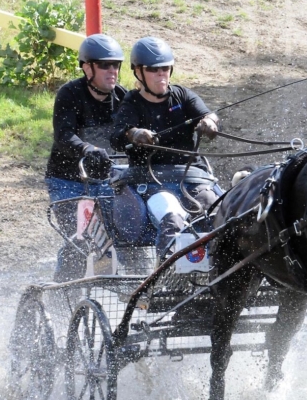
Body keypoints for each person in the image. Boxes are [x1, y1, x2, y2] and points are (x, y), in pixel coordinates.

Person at [110, 36, 221, 258]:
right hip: (152, 183)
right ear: (138, 72)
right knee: (172, 215)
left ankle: (223, 269)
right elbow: (117, 135)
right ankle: (171, 276)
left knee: (215, 211)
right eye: (153, 69)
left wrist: (209, 122)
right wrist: (135, 134)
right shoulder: (132, 102)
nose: (161, 73)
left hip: (192, 178)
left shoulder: (183, 95)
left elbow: (209, 114)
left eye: (165, 67)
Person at [45, 33, 127, 281]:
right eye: (105, 65)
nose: (112, 71)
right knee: (81, 238)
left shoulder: (122, 98)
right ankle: (63, 291)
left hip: (106, 181)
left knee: (128, 236)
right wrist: (87, 149)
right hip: (67, 181)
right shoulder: (69, 94)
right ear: (87, 68)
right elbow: (64, 135)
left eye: (116, 65)